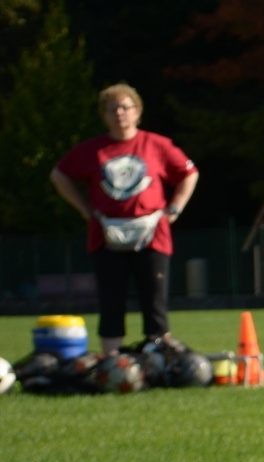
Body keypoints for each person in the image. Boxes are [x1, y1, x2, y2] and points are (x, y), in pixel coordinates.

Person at [50, 82, 199, 356]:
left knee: (154, 295)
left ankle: (158, 351)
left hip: (152, 230)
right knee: (111, 298)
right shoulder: (92, 150)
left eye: (125, 107)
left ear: (137, 111)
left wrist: (175, 208)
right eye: (112, 109)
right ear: (103, 115)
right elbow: (59, 175)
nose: (119, 113)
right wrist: (84, 209)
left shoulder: (156, 144)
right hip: (106, 233)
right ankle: (111, 358)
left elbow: (189, 173)